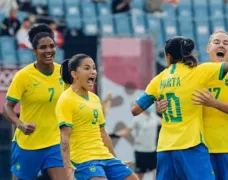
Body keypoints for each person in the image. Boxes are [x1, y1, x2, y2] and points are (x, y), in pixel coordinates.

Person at [131, 36, 228, 180]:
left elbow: (135, 110)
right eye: (217, 42)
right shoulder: (200, 72)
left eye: (226, 43)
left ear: (168, 56)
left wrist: (159, 105)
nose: (221, 46)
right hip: (191, 145)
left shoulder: (159, 79)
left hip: (165, 147)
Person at [57, 54, 139, 180]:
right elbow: (64, 136)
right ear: (74, 74)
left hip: (104, 156)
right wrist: (67, 165)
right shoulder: (66, 99)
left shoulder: (94, 99)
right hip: (83, 159)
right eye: (87, 68)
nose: (93, 72)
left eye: (94, 68)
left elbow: (103, 133)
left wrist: (115, 159)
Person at [3, 24, 67, 180]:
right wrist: (20, 124)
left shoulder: (63, 73)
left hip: (55, 143)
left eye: (51, 46)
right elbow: (7, 107)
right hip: (28, 143)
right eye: (42, 47)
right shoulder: (23, 76)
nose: (48, 51)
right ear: (34, 51)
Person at [116, 105, 160, 180]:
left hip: (152, 150)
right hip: (140, 151)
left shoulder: (154, 117)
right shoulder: (137, 118)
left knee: (155, 171)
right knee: (140, 174)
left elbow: (163, 123)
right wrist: (115, 134)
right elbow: (128, 130)